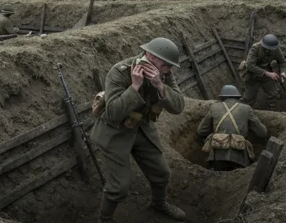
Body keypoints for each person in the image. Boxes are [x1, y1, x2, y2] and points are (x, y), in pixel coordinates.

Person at [91, 37, 187, 222]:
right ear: (150, 55)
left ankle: (159, 204)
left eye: (169, 67)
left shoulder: (164, 74)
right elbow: (112, 114)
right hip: (114, 131)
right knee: (118, 187)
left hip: (141, 128)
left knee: (162, 173)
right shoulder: (119, 72)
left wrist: (160, 85)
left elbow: (179, 106)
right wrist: (134, 86)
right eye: (166, 65)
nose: (169, 70)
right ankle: (104, 219)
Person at [195, 85, 268, 171]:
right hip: (239, 157)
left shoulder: (214, 107)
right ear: (238, 97)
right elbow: (263, 133)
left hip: (216, 157)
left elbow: (201, 131)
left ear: (222, 98)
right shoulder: (246, 109)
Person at [239, 34, 286, 109]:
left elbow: (282, 62)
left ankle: (275, 114)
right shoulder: (255, 48)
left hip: (267, 75)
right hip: (253, 75)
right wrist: (267, 73)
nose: (270, 50)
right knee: (248, 99)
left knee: (274, 96)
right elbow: (250, 65)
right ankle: (243, 112)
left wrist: (283, 72)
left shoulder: (275, 48)